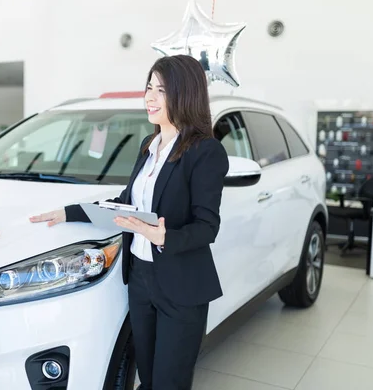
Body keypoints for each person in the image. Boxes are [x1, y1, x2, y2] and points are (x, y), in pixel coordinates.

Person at [30, 55, 229, 389]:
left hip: (180, 285)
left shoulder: (205, 151)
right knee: (147, 376)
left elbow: (207, 226)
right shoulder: (148, 146)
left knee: (169, 381)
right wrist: (70, 212)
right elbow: (126, 205)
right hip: (140, 278)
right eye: (148, 87)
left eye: (161, 90)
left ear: (184, 94)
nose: (149, 97)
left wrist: (164, 236)